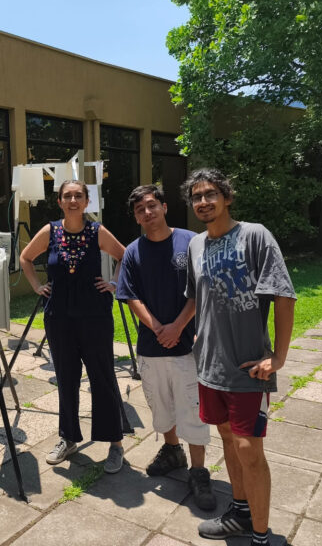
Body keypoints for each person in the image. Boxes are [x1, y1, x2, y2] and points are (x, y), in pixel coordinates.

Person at [182, 169, 296, 546]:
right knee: (228, 440)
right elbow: (198, 296)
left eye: (210, 194)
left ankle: (262, 538)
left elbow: (283, 295)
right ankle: (241, 515)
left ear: (227, 197)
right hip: (210, 366)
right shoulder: (195, 245)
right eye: (197, 196)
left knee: (250, 451)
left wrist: (278, 358)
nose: (203, 202)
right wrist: (200, 333)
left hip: (249, 366)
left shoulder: (254, 235)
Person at [116, 184, 216, 510]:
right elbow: (130, 295)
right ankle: (172, 450)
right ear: (136, 217)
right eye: (140, 210)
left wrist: (178, 326)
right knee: (161, 406)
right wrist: (158, 327)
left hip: (188, 345)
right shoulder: (133, 252)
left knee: (193, 409)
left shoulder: (190, 242)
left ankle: (199, 473)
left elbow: (201, 289)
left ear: (164, 206)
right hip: (151, 345)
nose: (147, 213)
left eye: (151, 206)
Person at [20, 179, 127, 474]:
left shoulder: (96, 231)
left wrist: (114, 283)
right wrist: (37, 286)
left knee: (102, 377)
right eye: (67, 196)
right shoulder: (50, 231)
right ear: (59, 201)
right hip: (60, 317)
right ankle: (68, 438)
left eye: (78, 195)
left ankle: (115, 443)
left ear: (86, 201)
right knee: (66, 379)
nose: (73, 200)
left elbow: (124, 255)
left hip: (95, 316)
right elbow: (26, 258)